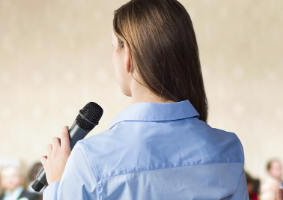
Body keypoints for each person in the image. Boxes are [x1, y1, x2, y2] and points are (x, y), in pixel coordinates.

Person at [39, 0, 247, 199]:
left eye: (114, 46)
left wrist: (57, 184)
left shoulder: (90, 158)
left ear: (127, 55)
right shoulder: (229, 149)